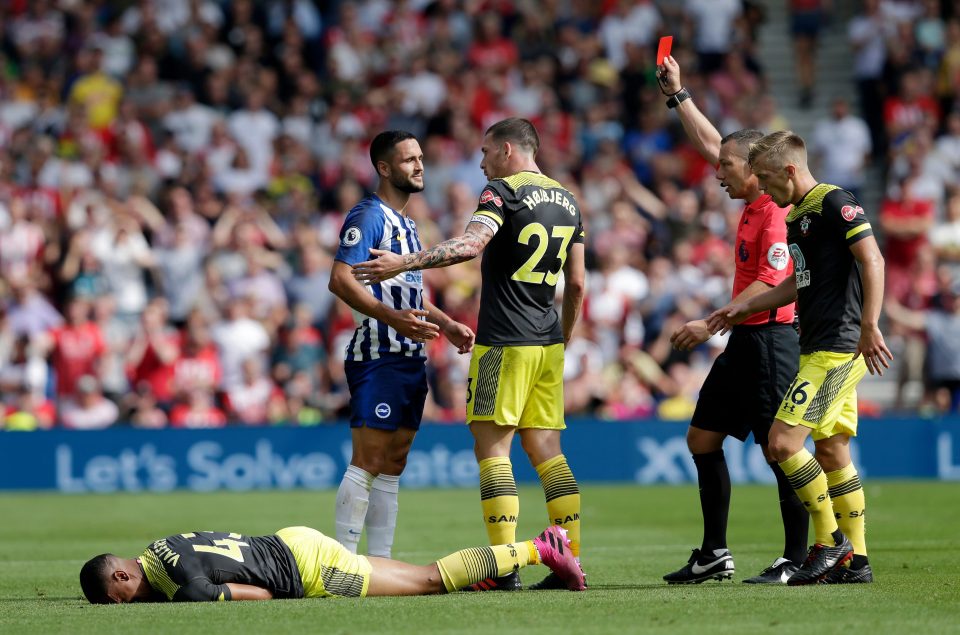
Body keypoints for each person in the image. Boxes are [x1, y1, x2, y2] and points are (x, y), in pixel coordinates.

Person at [352, 118, 586, 591]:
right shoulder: (568, 200)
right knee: (548, 453)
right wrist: (561, 336)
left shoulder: (502, 193)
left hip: (505, 339)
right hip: (547, 342)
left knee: (493, 450)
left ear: (506, 150)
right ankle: (571, 560)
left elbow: (471, 245)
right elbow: (577, 283)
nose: (480, 164)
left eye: (484, 154)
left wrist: (405, 261)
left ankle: (503, 567)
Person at [710, 130, 893, 585]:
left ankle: (830, 543)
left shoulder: (835, 202)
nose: (766, 190)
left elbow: (872, 259)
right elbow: (800, 282)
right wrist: (743, 307)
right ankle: (858, 562)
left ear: (790, 170)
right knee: (831, 450)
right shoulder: (798, 216)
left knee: (783, 443)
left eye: (769, 179)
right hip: (817, 342)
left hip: (837, 346)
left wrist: (870, 324)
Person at [655, 55, 809, 585]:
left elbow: (772, 286)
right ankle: (715, 553)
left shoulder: (774, 212)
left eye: (725, 166)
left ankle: (797, 556)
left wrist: (709, 322)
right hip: (745, 342)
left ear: (753, 169)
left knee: (780, 451)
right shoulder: (749, 189)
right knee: (702, 439)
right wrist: (679, 96)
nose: (715, 171)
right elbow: (713, 143)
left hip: (771, 342)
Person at [328, 130, 475, 560]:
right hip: (378, 354)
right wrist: (393, 319)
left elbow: (408, 290)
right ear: (384, 168)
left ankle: (381, 562)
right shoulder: (368, 215)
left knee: (394, 464)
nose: (419, 165)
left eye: (421, 157)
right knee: (369, 460)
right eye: (409, 159)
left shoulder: (408, 225)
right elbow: (340, 279)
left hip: (411, 355)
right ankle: (343, 562)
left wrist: (445, 322)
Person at [78, 524, 585, 604]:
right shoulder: (163, 544)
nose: (130, 605)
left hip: (309, 571)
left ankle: (539, 548)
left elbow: (263, 595)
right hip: (291, 538)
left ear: (121, 575)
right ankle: (491, 574)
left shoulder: (180, 589)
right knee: (414, 574)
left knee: (428, 580)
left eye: (121, 599)